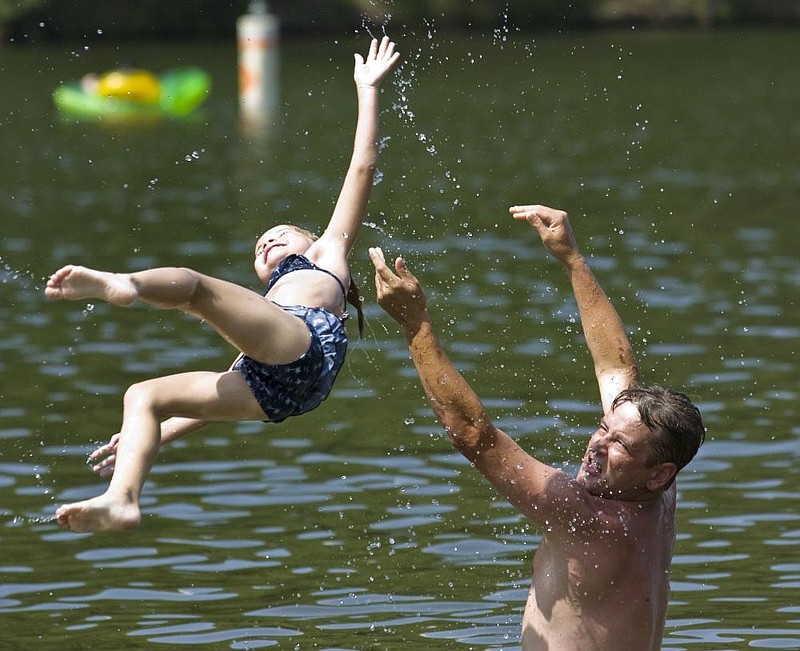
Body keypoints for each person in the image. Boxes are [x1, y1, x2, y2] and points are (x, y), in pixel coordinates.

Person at [45, 36, 401, 533]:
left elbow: (362, 165)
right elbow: (215, 402)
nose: (265, 243)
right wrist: (155, 436)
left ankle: (126, 284)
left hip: (300, 360)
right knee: (144, 400)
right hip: (274, 389)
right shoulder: (263, 311)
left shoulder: (326, 255)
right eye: (258, 246)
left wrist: (367, 90)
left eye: (277, 235)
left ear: (309, 238)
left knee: (192, 292)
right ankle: (121, 497)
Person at [369, 203, 705, 651]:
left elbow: (473, 435)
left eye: (618, 442)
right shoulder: (661, 486)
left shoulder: (588, 517)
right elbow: (615, 369)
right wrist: (572, 260)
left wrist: (415, 324)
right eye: (602, 428)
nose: (596, 446)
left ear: (659, 472)